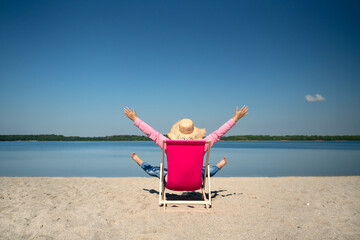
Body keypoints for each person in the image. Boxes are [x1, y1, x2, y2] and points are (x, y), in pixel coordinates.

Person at [123, 105, 248, 182]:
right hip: (196, 182)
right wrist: (235, 118)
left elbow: (152, 134)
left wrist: (135, 119)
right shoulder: (203, 144)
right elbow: (218, 133)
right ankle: (219, 165)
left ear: (178, 131)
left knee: (156, 170)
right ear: (194, 132)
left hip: (172, 182)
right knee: (205, 171)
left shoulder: (168, 144)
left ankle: (139, 161)